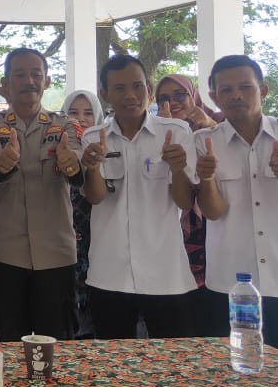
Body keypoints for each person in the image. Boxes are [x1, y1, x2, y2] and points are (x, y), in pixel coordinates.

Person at [195, 54, 278, 366]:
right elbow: (213, 213)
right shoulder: (204, 142)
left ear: (262, 90)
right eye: (226, 90)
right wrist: (207, 178)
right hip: (228, 285)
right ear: (214, 96)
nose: (236, 95)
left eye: (245, 87)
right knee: (230, 377)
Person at [78, 56, 197, 340]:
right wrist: (92, 167)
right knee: (112, 359)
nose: (130, 95)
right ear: (105, 94)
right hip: (110, 273)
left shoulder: (177, 133)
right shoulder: (93, 138)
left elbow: (184, 202)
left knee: (172, 359)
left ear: (149, 89)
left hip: (165, 273)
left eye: (137, 86)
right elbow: (96, 198)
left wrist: (178, 168)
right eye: (119, 88)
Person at [0, 48, 84, 341]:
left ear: (47, 81)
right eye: (20, 74)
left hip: (56, 254)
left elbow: (78, 166)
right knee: (5, 345)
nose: (29, 81)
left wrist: (71, 163)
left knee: (58, 345)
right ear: (5, 82)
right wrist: (3, 162)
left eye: (36, 74)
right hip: (5, 254)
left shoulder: (65, 125)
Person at [154, 74, 222, 300]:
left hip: (217, 220)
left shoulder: (218, 120)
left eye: (179, 95)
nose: (172, 103)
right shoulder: (154, 130)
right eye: (163, 98)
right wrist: (164, 131)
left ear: (193, 95)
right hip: (172, 223)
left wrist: (209, 124)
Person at [60, 89, 104, 339]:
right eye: (73, 112)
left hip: (100, 248)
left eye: (88, 113)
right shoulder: (54, 148)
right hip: (64, 252)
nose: (80, 118)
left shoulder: (108, 148)